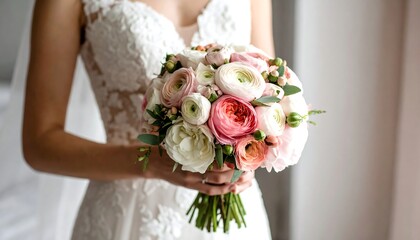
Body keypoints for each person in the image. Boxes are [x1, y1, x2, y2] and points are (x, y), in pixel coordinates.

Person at [22, 0, 274, 239]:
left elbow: (269, 96)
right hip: (126, 214)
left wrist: (247, 155)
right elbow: (39, 143)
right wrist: (149, 162)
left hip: (234, 213)